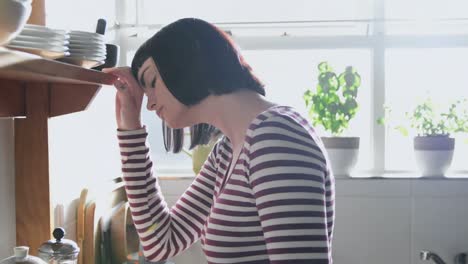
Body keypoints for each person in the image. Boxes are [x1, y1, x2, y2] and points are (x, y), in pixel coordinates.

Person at [104, 17, 335, 264]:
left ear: (187, 66)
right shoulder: (227, 151)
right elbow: (161, 241)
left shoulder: (276, 136)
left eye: (152, 83)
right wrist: (130, 128)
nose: (149, 104)